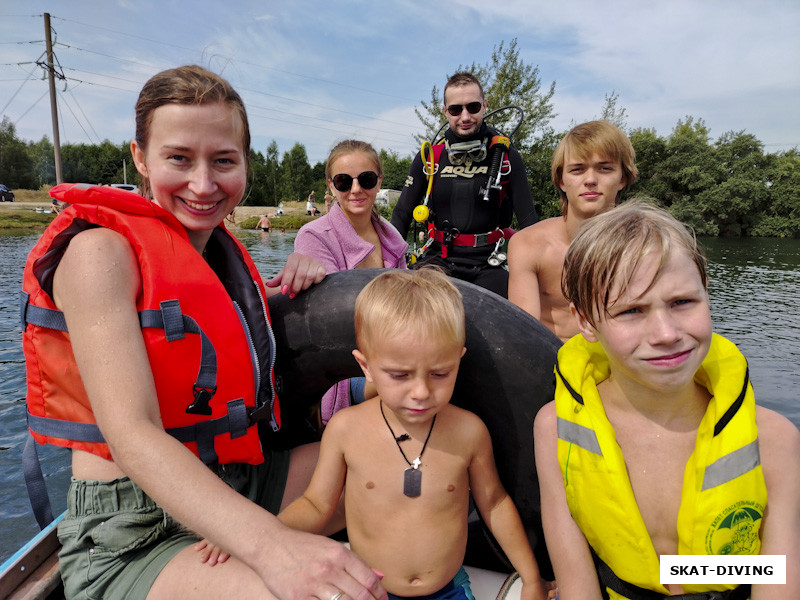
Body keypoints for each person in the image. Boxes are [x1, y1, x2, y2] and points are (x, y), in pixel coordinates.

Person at [21, 65, 386, 600]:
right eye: (178, 159)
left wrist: (306, 275)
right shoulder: (98, 254)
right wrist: (273, 548)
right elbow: (133, 434)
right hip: (135, 531)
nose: (203, 183)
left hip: (241, 480)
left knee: (414, 469)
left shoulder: (222, 258)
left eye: (223, 161)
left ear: (244, 164)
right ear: (140, 158)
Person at [533, 200, 800, 599]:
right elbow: (577, 582)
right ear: (586, 321)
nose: (666, 333)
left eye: (681, 302)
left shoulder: (775, 438)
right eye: (631, 310)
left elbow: (775, 575)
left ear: (706, 293)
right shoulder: (555, 428)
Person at [279, 268, 547, 600]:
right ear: (365, 366)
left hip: (449, 590)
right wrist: (258, 537)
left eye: (439, 373)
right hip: (368, 588)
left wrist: (531, 577)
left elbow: (494, 503)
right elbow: (316, 503)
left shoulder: (468, 432)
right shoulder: (346, 429)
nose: (421, 391)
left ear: (458, 361)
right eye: (399, 375)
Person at [391, 72, 538, 298]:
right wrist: (390, 266)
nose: (465, 116)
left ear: (485, 105)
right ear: (445, 111)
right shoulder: (430, 157)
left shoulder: (506, 157)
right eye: (456, 109)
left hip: (489, 263)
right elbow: (401, 213)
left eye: (473, 106)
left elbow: (529, 223)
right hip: (437, 260)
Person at [295, 139, 408, 424]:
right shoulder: (315, 236)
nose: (356, 190)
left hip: (397, 355)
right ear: (331, 186)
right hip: (344, 371)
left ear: (379, 181)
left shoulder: (392, 238)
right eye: (344, 182)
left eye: (366, 179)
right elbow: (331, 322)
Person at [508, 120, 637, 342]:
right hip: (549, 363)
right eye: (577, 170)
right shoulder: (527, 244)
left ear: (622, 179)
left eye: (605, 168)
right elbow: (522, 336)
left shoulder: (645, 248)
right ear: (561, 180)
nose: (590, 180)